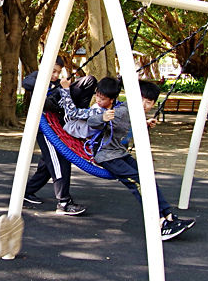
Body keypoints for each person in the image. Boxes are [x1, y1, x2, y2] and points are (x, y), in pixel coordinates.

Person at [59, 74, 195, 241]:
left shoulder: (130, 111)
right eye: (143, 100)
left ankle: (168, 216)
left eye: (150, 102)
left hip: (120, 153)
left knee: (148, 179)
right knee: (137, 182)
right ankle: (158, 224)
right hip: (107, 156)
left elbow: (126, 124)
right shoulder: (123, 110)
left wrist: (144, 123)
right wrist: (102, 117)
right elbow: (93, 120)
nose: (146, 105)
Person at [20, 65, 89, 215]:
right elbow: (26, 83)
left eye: (58, 72)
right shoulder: (36, 78)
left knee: (46, 166)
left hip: (56, 126)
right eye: (53, 71)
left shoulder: (57, 86)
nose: (56, 75)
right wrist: (49, 84)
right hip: (46, 129)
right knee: (59, 161)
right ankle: (64, 202)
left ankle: (25, 192)